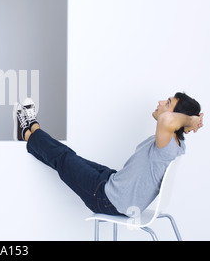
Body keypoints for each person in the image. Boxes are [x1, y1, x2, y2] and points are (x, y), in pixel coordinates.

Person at [13, 92, 203, 216]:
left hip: (108, 200)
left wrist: (191, 120)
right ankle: (30, 135)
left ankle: (30, 129)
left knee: (65, 158)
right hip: (113, 183)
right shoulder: (174, 144)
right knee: (68, 158)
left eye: (168, 102)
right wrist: (188, 122)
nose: (161, 102)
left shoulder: (167, 145)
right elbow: (168, 118)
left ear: (179, 119)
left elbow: (167, 118)